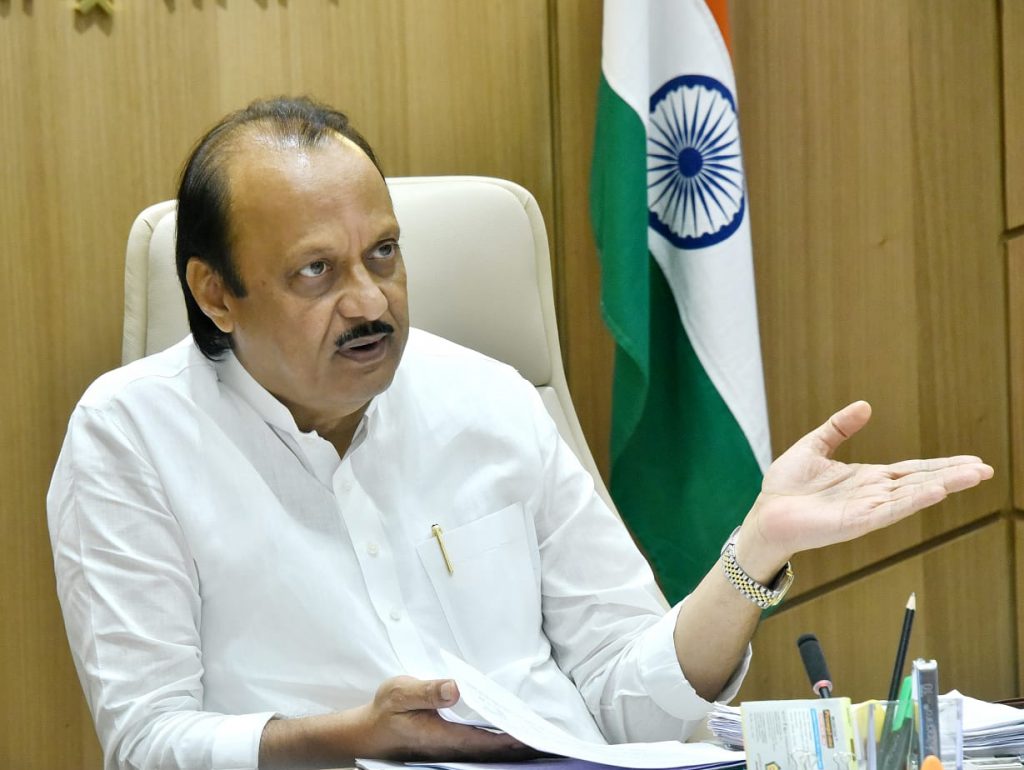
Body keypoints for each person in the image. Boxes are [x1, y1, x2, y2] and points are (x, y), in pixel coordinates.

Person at [47, 97, 993, 770]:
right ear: (216, 294)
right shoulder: (130, 439)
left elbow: (626, 695)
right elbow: (148, 742)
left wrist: (756, 549)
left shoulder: (490, 399)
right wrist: (356, 735)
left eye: (384, 253)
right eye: (315, 273)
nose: (371, 302)